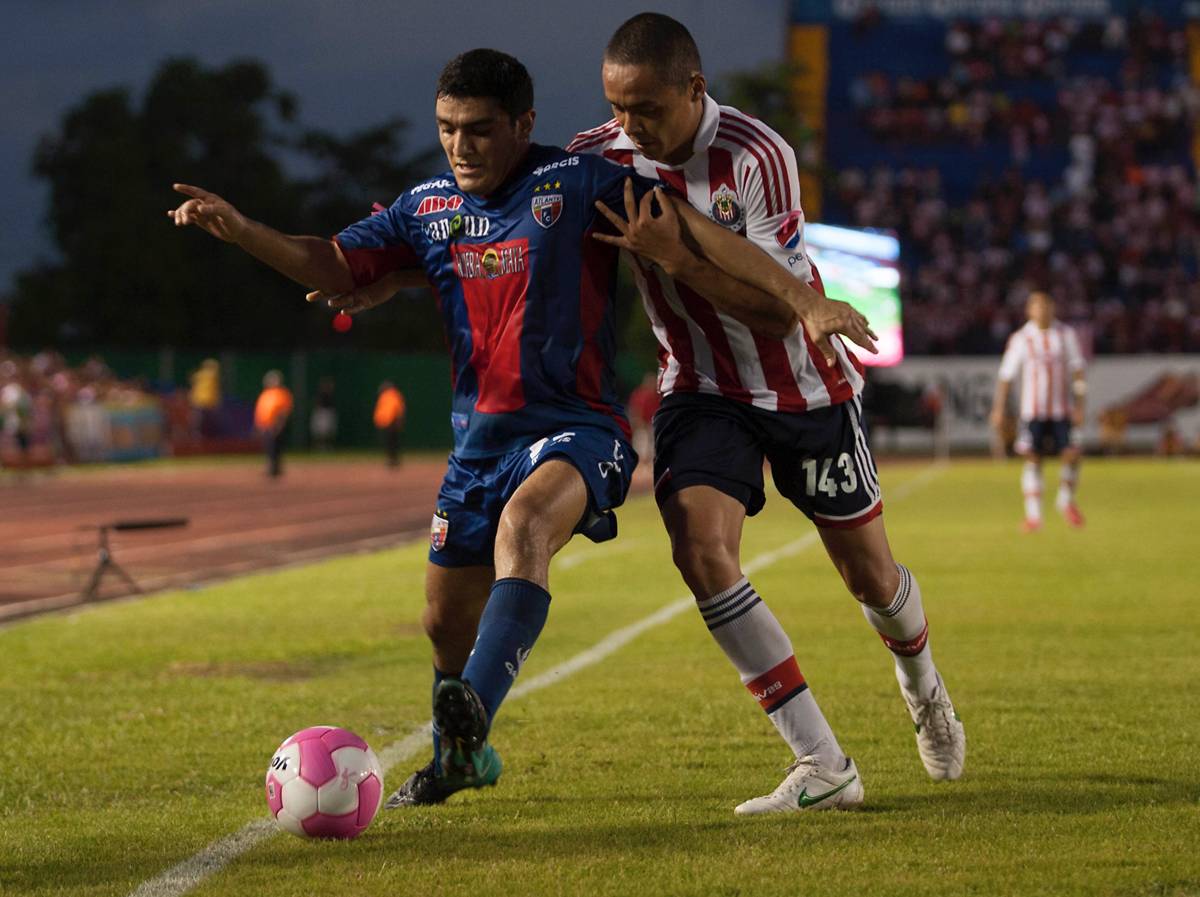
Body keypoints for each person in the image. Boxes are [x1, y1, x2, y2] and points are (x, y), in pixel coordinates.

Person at [170, 48, 874, 810]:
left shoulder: (579, 182)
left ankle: (473, 710)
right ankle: (460, 759)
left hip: (581, 430)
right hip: (478, 447)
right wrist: (244, 231)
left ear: (522, 124)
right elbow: (334, 263)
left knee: (526, 525)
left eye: (478, 129)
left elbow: (702, 234)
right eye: (447, 129)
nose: (460, 145)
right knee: (443, 621)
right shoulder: (426, 207)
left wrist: (805, 301)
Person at [569, 13, 966, 813]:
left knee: (871, 576)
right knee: (700, 549)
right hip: (699, 388)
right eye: (617, 106)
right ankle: (823, 762)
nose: (630, 125)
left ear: (694, 88)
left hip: (803, 387)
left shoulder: (758, 155)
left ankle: (923, 686)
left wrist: (676, 258)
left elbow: (779, 314)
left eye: (646, 108)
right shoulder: (599, 157)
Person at [990, 290, 1087, 531]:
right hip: (1032, 411)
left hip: (1061, 410)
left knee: (1072, 454)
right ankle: (1034, 516)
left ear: (1053, 308)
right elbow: (1006, 375)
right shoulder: (1021, 338)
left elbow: (1078, 370)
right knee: (1033, 458)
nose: (1042, 310)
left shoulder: (1065, 334)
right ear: (1029, 311)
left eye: (1046, 306)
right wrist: (999, 408)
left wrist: (1079, 405)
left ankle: (1065, 501)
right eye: (1037, 306)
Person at [254, 370, 293, 478]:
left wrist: (280, 425)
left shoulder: (281, 393)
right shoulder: (266, 394)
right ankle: (271, 467)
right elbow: (261, 411)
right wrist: (259, 425)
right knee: (268, 447)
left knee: (275, 448)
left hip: (275, 426)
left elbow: (283, 411)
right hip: (266, 426)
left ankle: (275, 468)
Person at [373, 380, 407, 467]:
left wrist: (398, 420)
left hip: (391, 422)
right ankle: (392, 459)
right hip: (386, 422)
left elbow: (397, 409)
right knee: (389, 442)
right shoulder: (386, 396)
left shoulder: (392, 395)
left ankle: (393, 460)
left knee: (392, 442)